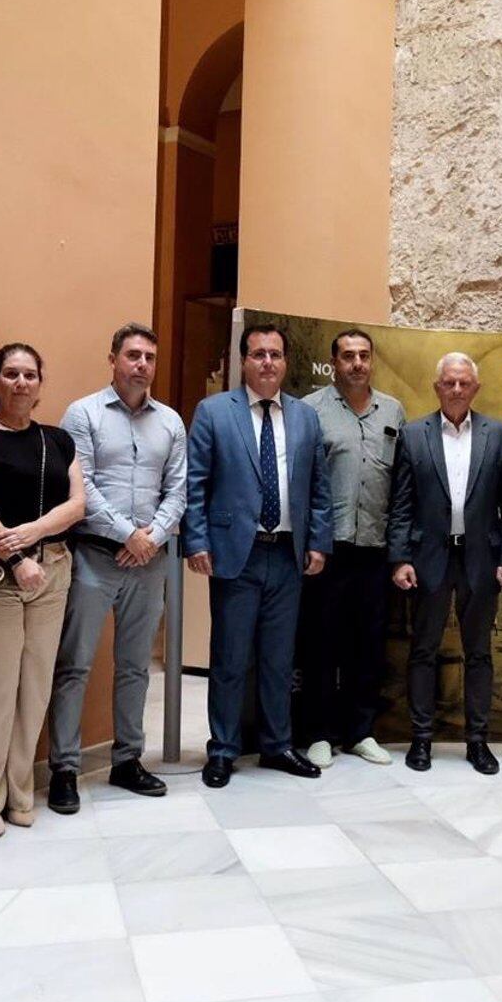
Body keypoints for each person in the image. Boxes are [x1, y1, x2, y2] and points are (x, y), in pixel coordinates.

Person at [185, 322, 332, 787]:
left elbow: (319, 487)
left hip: (287, 554)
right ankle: (223, 750)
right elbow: (196, 483)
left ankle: (277, 745)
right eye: (258, 354)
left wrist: (317, 541)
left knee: (278, 659)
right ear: (243, 361)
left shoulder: (306, 417)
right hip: (235, 555)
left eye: (275, 354)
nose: (267, 362)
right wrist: (197, 540)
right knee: (229, 658)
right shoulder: (214, 412)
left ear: (286, 362)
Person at [46, 324, 186, 813]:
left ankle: (128, 760)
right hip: (94, 557)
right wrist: (128, 534)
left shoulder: (170, 421)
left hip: (150, 562)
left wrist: (150, 537)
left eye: (150, 356)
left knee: (136, 667)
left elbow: (179, 490)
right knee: (75, 664)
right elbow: (80, 488)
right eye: (133, 355)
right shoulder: (81, 414)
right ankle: (64, 768)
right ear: (113, 359)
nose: (142, 364)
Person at [0, 343, 85, 834]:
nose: (20, 383)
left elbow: (77, 505)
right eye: (10, 374)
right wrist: (15, 556)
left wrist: (33, 534)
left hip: (53, 571)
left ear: (40, 383)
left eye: (29, 374)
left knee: (34, 689)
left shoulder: (58, 440)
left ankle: (20, 792)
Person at [389, 352, 502, 774]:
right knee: (424, 651)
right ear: (437, 387)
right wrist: (399, 558)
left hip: (481, 558)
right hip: (429, 558)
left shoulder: (499, 435)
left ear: (476, 388)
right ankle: (422, 739)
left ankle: (478, 742)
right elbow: (400, 507)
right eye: (449, 382)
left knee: (479, 654)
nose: (457, 389)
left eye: (464, 383)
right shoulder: (413, 435)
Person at [298, 329, 405, 769]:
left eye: (364, 355)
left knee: (369, 646)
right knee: (321, 644)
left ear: (371, 361)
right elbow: (300, 482)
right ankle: (319, 733)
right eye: (348, 356)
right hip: (328, 548)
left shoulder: (393, 410)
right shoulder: (310, 411)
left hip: (375, 549)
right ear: (334, 363)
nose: (357, 363)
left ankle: (361, 731)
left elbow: (401, 485)